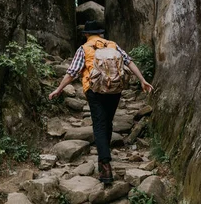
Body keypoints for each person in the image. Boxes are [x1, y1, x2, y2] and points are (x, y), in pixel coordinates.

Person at [49, 20, 154, 184]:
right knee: (108, 122)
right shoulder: (113, 45)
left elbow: (72, 73)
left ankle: (105, 165)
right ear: (101, 33)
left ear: (86, 34)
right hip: (115, 90)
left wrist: (59, 89)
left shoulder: (84, 49)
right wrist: (142, 80)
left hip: (94, 90)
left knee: (99, 124)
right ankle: (104, 157)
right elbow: (129, 62)